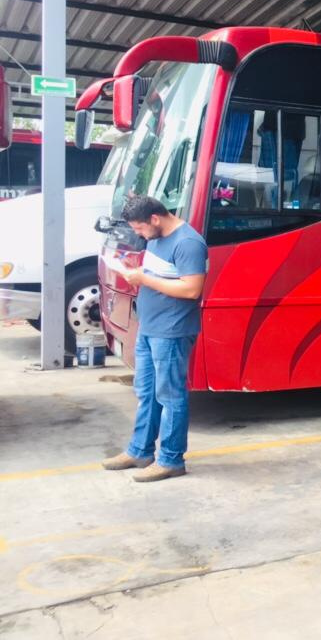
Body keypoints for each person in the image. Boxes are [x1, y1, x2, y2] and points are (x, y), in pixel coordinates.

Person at [101, 195, 207, 482]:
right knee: (146, 391)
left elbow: (191, 289)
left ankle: (171, 459)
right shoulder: (156, 237)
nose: (138, 234)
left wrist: (144, 280)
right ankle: (140, 450)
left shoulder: (188, 243)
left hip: (171, 330)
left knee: (170, 395)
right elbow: (159, 274)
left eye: (139, 228)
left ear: (155, 219)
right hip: (149, 327)